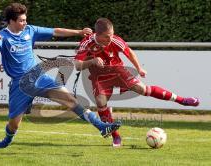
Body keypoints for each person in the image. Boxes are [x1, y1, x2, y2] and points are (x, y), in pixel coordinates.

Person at [0, 3, 121, 149]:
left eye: (25, 19)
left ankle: (101, 126)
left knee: (70, 99)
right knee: (13, 124)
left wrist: (78, 32)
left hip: (38, 75)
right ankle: (7, 139)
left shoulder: (30, 30)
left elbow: (55, 31)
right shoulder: (3, 36)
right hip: (21, 85)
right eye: (21, 20)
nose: (25, 23)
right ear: (11, 21)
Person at [74, 18, 200, 147]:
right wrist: (92, 62)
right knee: (101, 103)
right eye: (107, 36)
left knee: (142, 89)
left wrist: (139, 68)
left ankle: (182, 100)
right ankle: (116, 136)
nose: (110, 39)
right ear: (98, 34)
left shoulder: (115, 40)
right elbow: (77, 65)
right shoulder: (86, 43)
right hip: (99, 77)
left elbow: (129, 53)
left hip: (117, 71)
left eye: (112, 35)